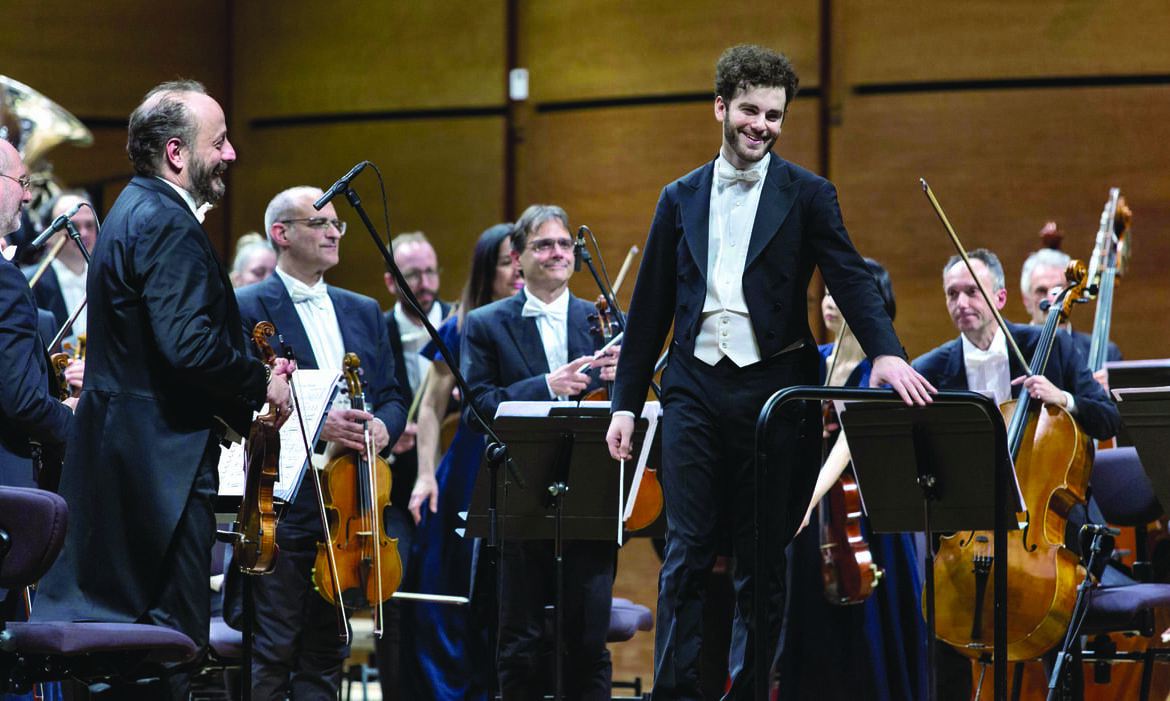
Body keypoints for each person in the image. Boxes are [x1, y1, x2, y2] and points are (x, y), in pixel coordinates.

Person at [606, 44, 934, 700]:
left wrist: (888, 349)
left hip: (774, 391)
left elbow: (849, 274)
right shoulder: (678, 198)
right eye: (751, 110)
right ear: (721, 107)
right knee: (687, 555)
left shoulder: (809, 195)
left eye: (775, 115)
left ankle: (753, 690)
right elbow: (647, 313)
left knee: (763, 562)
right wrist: (622, 402)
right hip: (694, 386)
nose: (762, 124)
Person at [32, 80, 292, 701]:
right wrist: (262, 384)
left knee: (127, 653)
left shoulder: (128, 210)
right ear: (177, 153)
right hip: (162, 474)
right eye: (220, 141)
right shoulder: (169, 225)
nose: (230, 154)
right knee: (170, 652)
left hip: (126, 463)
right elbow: (188, 348)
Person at [911, 248, 1120, 697]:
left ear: (1001, 298)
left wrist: (1063, 399)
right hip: (966, 531)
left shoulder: (1053, 347)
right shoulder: (929, 371)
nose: (962, 302)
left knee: (1058, 616)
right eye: (952, 294)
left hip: (1046, 530)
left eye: (973, 291)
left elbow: (1107, 418)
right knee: (939, 624)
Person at [226, 185, 407, 700]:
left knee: (330, 650)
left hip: (350, 505)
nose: (333, 232)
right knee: (273, 648)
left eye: (337, 225)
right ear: (281, 234)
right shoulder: (245, 306)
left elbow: (393, 396)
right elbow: (239, 398)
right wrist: (320, 423)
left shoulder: (366, 310)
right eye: (320, 223)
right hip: (283, 501)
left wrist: (383, 428)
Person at [463, 205, 620, 701]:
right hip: (520, 493)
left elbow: (635, 408)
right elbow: (476, 407)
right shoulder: (487, 324)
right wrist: (544, 387)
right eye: (543, 245)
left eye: (564, 244)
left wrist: (626, 386)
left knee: (588, 641)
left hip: (592, 495)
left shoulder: (607, 320)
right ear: (517, 258)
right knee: (520, 641)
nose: (558, 253)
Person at [777, 259, 928, 700]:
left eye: (841, 293)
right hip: (816, 526)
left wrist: (804, 502)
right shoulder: (814, 362)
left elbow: (850, 447)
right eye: (826, 293)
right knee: (815, 642)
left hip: (867, 521)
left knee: (870, 644)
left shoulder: (886, 367)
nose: (829, 301)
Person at [403, 223, 523, 701]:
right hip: (470, 471)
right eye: (506, 261)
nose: (518, 269)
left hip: (526, 468)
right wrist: (426, 476)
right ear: (485, 270)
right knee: (449, 589)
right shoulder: (461, 324)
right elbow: (431, 407)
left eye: (523, 257)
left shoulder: (541, 322)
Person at [375, 230, 453, 698]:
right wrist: (387, 437)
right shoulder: (376, 331)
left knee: (453, 601)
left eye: (431, 271)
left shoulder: (463, 328)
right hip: (397, 490)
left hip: (456, 483)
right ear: (391, 282)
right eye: (413, 275)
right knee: (395, 597)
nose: (426, 283)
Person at [0, 137, 75, 491]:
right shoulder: (5, 279)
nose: (27, 196)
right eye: (22, 183)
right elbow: (21, 400)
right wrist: (72, 420)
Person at [1019, 243, 1122, 378]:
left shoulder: (1108, 353)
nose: (1051, 299)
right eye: (1041, 291)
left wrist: (1103, 395)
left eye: (1059, 289)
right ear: (1026, 299)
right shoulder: (1012, 351)